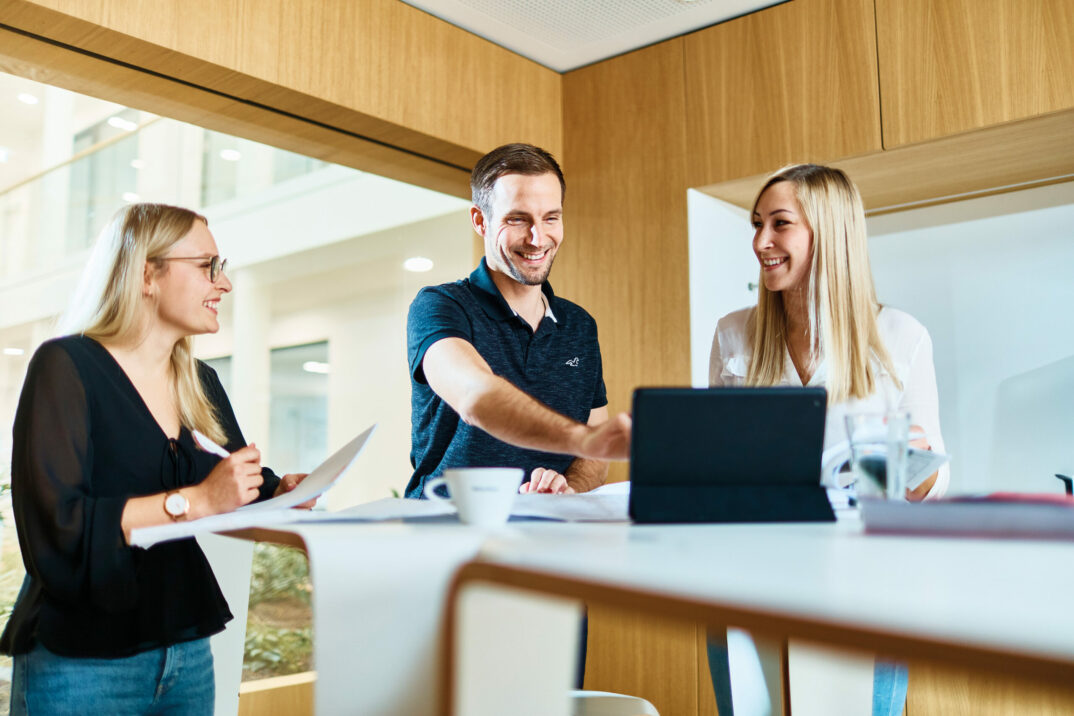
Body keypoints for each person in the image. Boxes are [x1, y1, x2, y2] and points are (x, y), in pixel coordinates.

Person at [1, 203, 310, 715]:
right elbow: (59, 524)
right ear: (148, 273)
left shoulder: (199, 383)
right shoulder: (66, 366)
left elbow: (231, 487)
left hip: (186, 652)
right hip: (83, 659)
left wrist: (281, 494)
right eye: (208, 265)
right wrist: (192, 502)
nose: (224, 283)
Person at [706, 163, 949, 715]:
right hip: (748, 581)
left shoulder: (900, 336)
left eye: (780, 224)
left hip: (867, 589)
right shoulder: (732, 333)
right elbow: (715, 462)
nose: (761, 241)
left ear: (829, 233)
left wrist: (913, 464)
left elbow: (930, 480)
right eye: (757, 223)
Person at [405, 142, 631, 499]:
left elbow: (593, 457)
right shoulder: (440, 305)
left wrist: (566, 488)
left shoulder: (579, 326)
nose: (538, 238)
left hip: (542, 537)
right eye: (517, 219)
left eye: (550, 218)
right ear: (480, 220)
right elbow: (476, 395)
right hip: (446, 533)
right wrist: (581, 439)